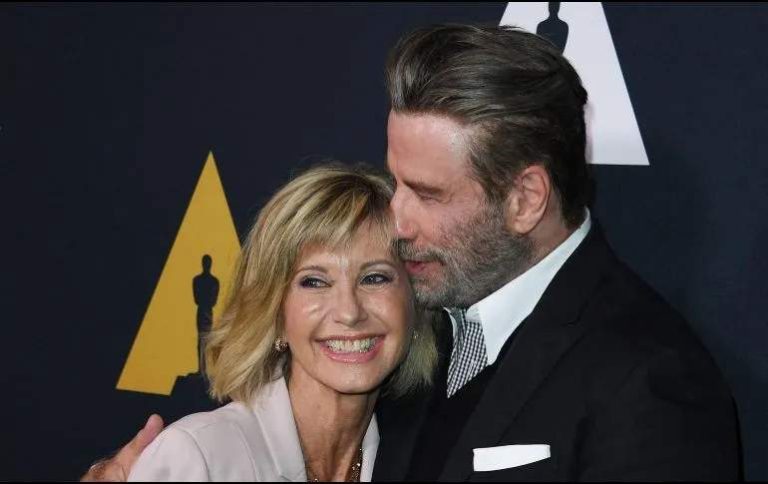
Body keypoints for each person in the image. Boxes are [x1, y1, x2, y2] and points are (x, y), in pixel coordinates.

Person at [82, 24, 740, 482]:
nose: (395, 221)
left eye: (427, 193)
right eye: (396, 182)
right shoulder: (411, 335)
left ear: (525, 199)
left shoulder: (648, 380)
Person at [113, 164, 437, 481]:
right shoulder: (201, 458)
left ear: (414, 303)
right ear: (276, 313)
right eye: (314, 282)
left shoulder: (421, 460)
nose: (349, 312)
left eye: (375, 277)